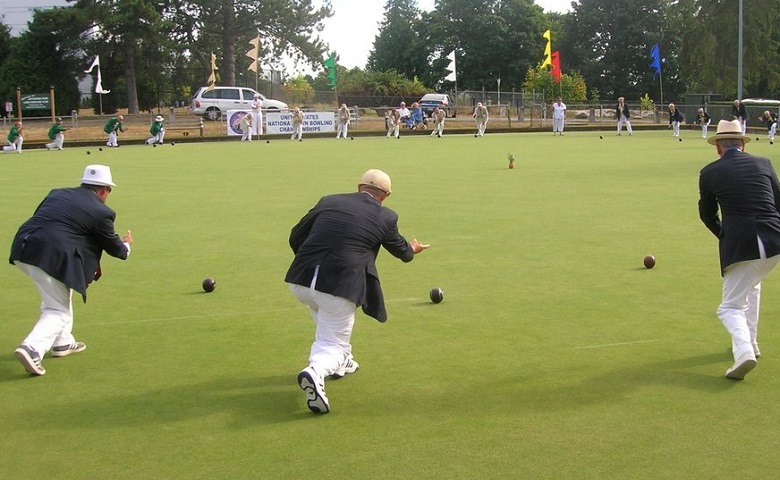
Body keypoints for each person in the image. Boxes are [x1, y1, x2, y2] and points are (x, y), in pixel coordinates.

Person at [285, 169, 429, 413]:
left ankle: (343, 363)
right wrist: (412, 248)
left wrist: (312, 261)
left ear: (359, 186)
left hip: (299, 280)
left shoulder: (328, 201)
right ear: (386, 195)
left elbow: (295, 237)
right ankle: (316, 371)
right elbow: (403, 252)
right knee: (334, 343)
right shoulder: (386, 216)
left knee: (323, 312)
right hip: (338, 285)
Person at [10, 164, 133, 376]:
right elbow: (118, 251)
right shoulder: (102, 212)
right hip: (49, 255)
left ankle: (63, 342)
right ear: (104, 190)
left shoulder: (57, 194)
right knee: (58, 311)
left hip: (23, 246)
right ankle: (32, 348)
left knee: (56, 295)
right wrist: (127, 244)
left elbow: (59, 226)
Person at [698, 119, 780, 380]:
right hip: (775, 240)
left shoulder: (709, 172)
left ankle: (743, 352)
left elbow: (707, 215)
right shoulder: (763, 163)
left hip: (743, 243)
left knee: (729, 307)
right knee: (752, 285)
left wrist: (724, 234)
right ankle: (752, 343)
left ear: (718, 148)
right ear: (743, 145)